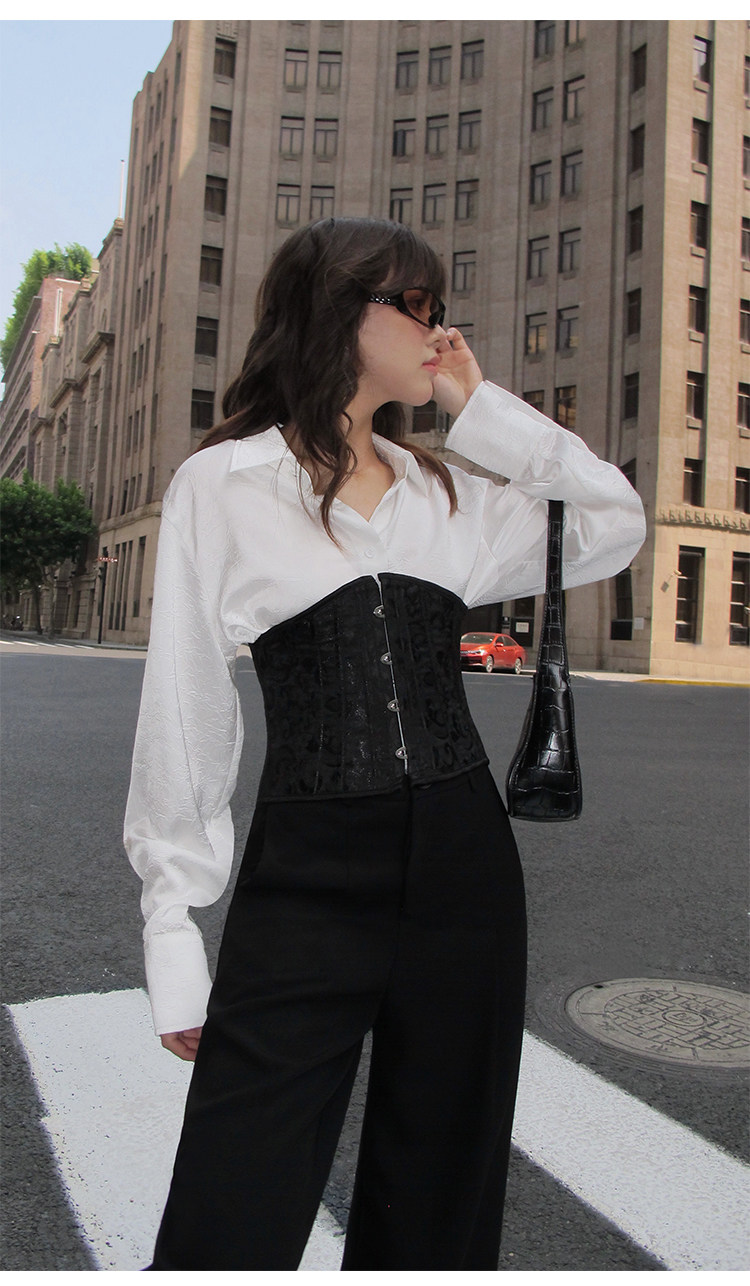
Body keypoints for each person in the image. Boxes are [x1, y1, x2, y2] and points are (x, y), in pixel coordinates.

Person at [124, 216, 645, 1270]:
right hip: (307, 873)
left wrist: (480, 411)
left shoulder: (447, 493)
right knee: (237, 1188)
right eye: (414, 304)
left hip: (464, 866)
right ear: (336, 310)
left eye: (440, 306)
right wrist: (173, 927)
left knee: (442, 1187)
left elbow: (613, 518)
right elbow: (186, 706)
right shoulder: (225, 484)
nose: (439, 328)